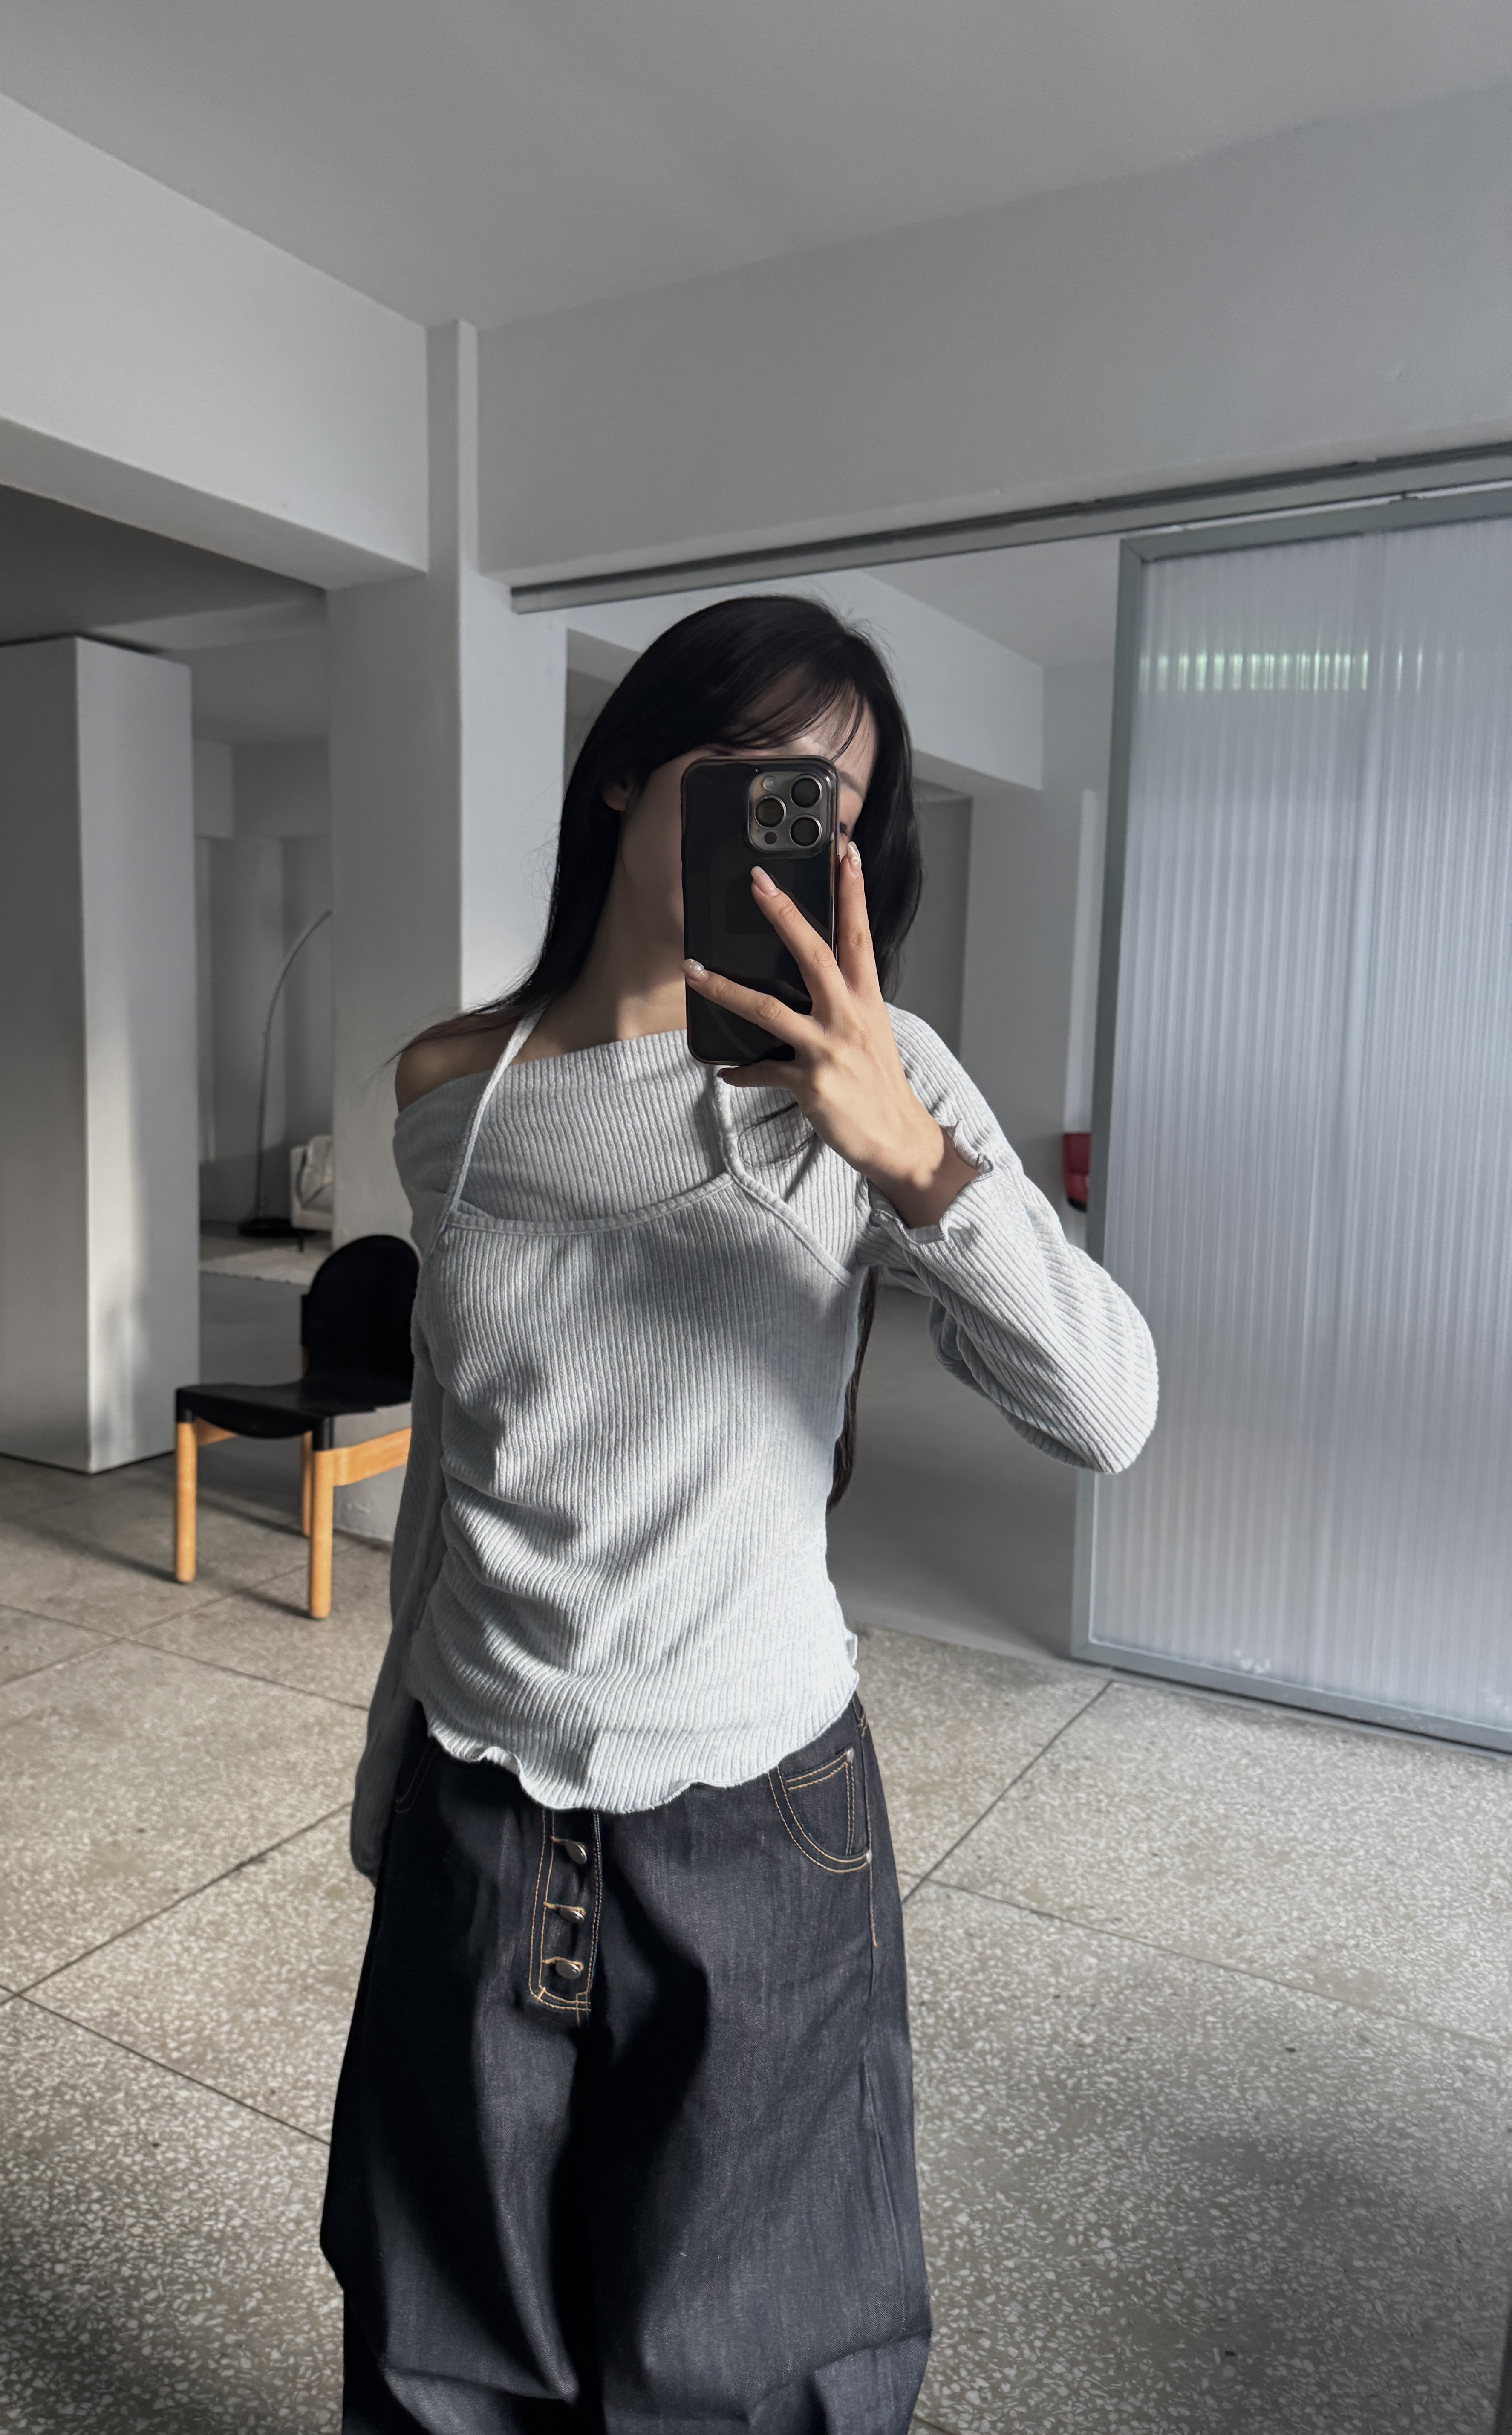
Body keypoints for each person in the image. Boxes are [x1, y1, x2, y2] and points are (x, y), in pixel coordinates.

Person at [321, 595, 1158, 2434]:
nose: (800, 826)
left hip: (758, 1817)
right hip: (480, 1798)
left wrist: (906, 1153)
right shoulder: (451, 1087)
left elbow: (1106, 1408)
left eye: (836, 806)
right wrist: (395, 1772)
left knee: (750, 2361)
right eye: (760, 775)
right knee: (440, 2335)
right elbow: (460, 1455)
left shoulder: (874, 1073)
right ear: (633, 775)